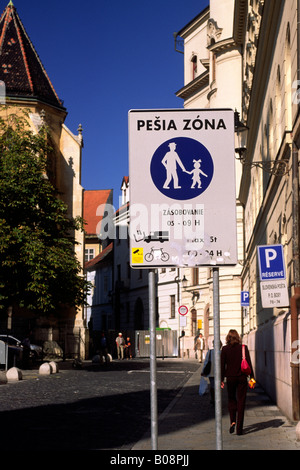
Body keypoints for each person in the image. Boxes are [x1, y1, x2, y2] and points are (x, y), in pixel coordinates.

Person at [221, 329, 254, 436]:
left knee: (231, 400)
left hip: (230, 378)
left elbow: (222, 366)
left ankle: (232, 421)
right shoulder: (243, 348)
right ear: (238, 337)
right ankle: (239, 429)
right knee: (241, 401)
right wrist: (252, 377)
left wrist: (221, 379)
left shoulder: (225, 349)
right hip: (242, 378)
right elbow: (249, 363)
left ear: (228, 338)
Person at [201, 340, 222, 404]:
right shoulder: (221, 352)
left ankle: (213, 398)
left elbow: (206, 362)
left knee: (212, 386)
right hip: (219, 372)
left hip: (211, 371)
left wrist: (203, 371)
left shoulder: (210, 352)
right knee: (218, 386)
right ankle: (217, 399)